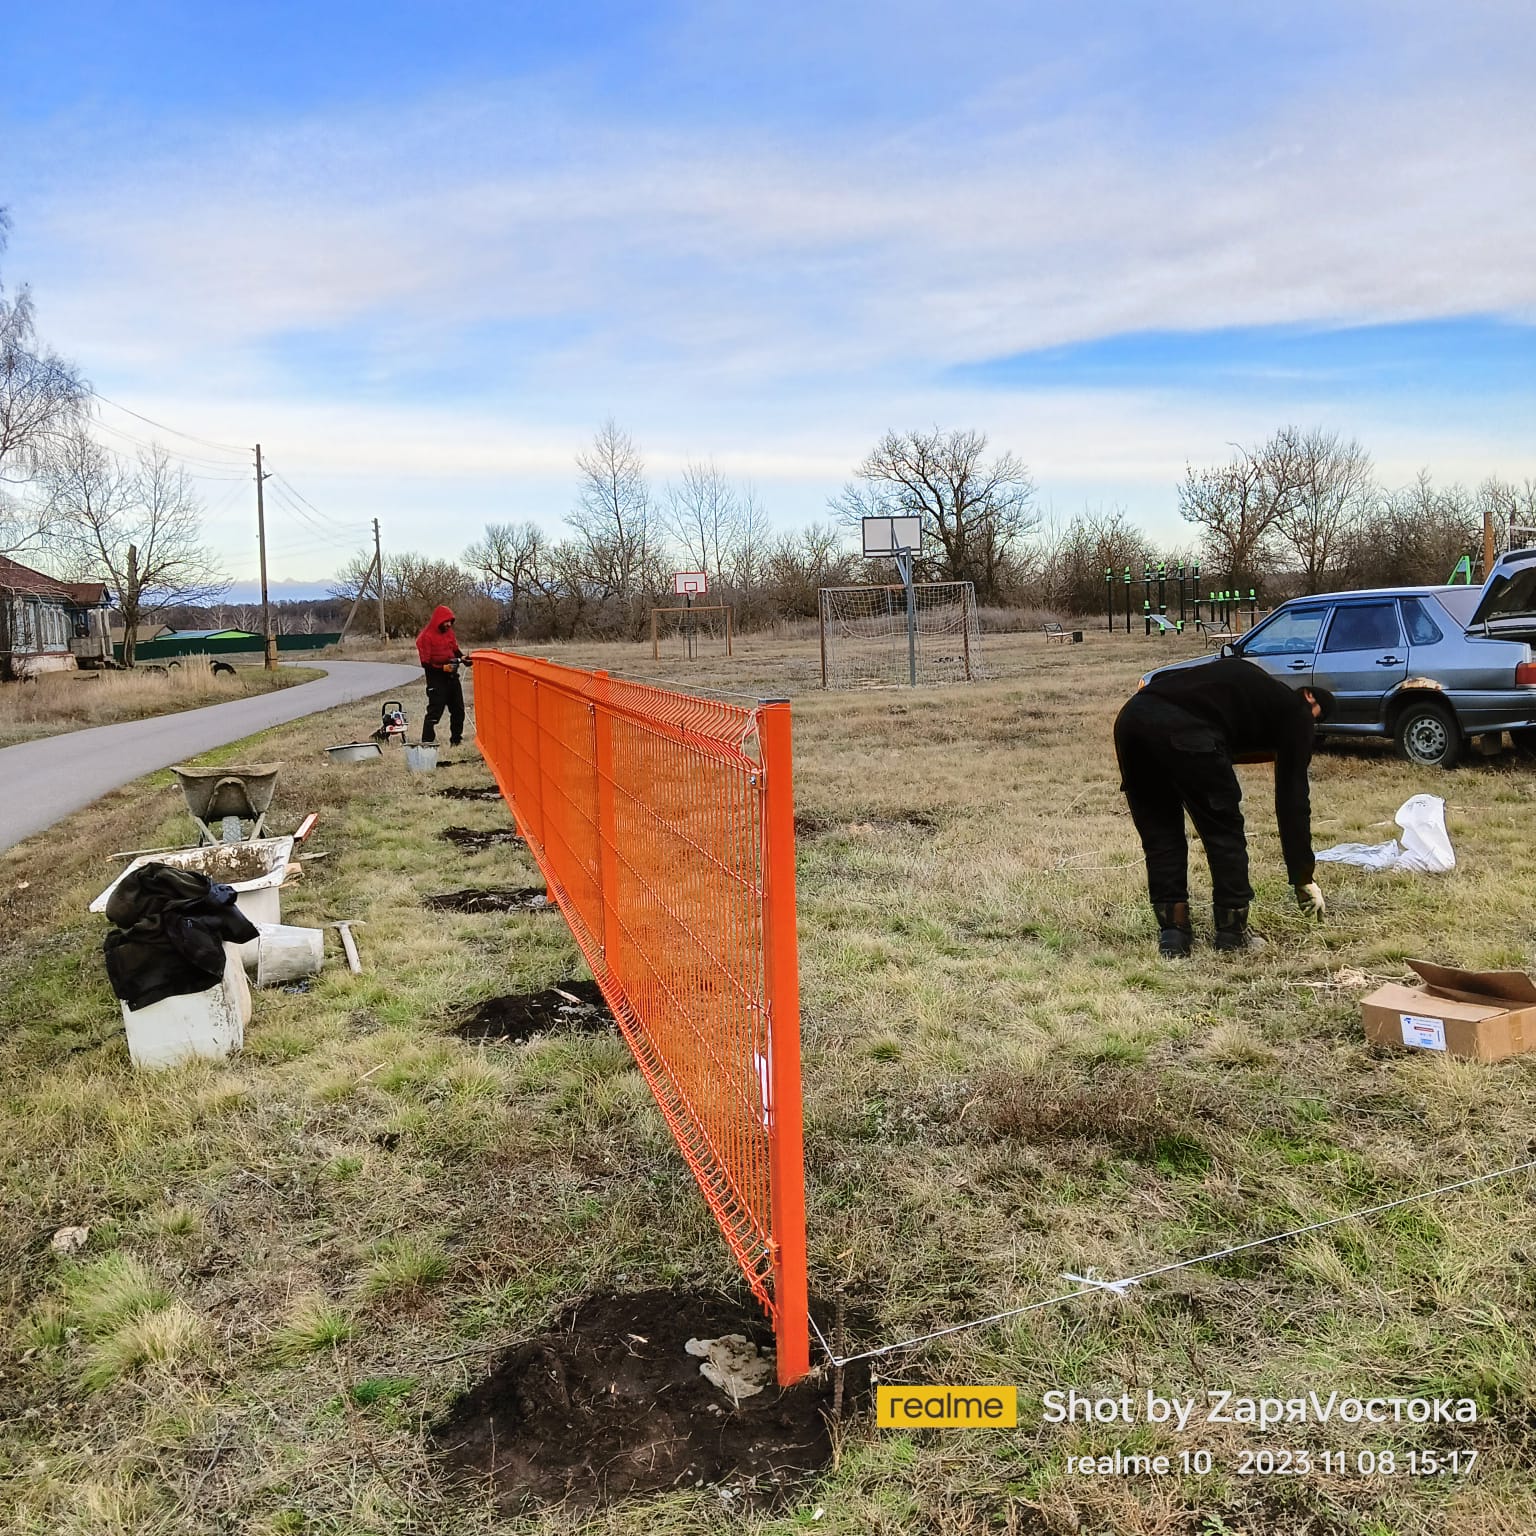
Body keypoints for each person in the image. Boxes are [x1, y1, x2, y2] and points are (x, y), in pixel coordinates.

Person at [1113, 658, 1334, 956]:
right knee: (1224, 834)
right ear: (1310, 697)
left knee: (1161, 836)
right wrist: (1303, 876)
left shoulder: (1236, 683)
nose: (1312, 725)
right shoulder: (1298, 712)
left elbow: (1162, 677)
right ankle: (1232, 934)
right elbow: (1293, 800)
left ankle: (1173, 936)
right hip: (1188, 730)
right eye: (1318, 716)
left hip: (1132, 722)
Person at [415, 605, 466, 747]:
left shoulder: (449, 632)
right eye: (446, 621)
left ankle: (456, 740)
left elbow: (455, 650)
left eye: (450, 621)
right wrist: (443, 668)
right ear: (438, 620)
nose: (448, 624)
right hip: (436, 680)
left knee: (458, 711)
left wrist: (463, 658)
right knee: (434, 713)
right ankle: (427, 743)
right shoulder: (425, 637)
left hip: (452, 678)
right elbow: (426, 663)